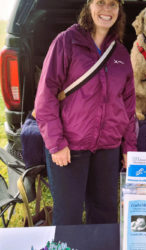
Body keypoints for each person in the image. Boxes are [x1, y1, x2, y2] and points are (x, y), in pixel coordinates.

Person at [35, 0, 136, 225]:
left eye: (113, 5)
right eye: (101, 2)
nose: (106, 10)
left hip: (108, 148)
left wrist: (129, 147)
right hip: (70, 147)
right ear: (89, 5)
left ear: (119, 10)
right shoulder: (66, 42)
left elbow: (128, 105)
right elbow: (46, 96)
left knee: (105, 215)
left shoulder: (120, 51)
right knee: (69, 216)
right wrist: (56, 143)